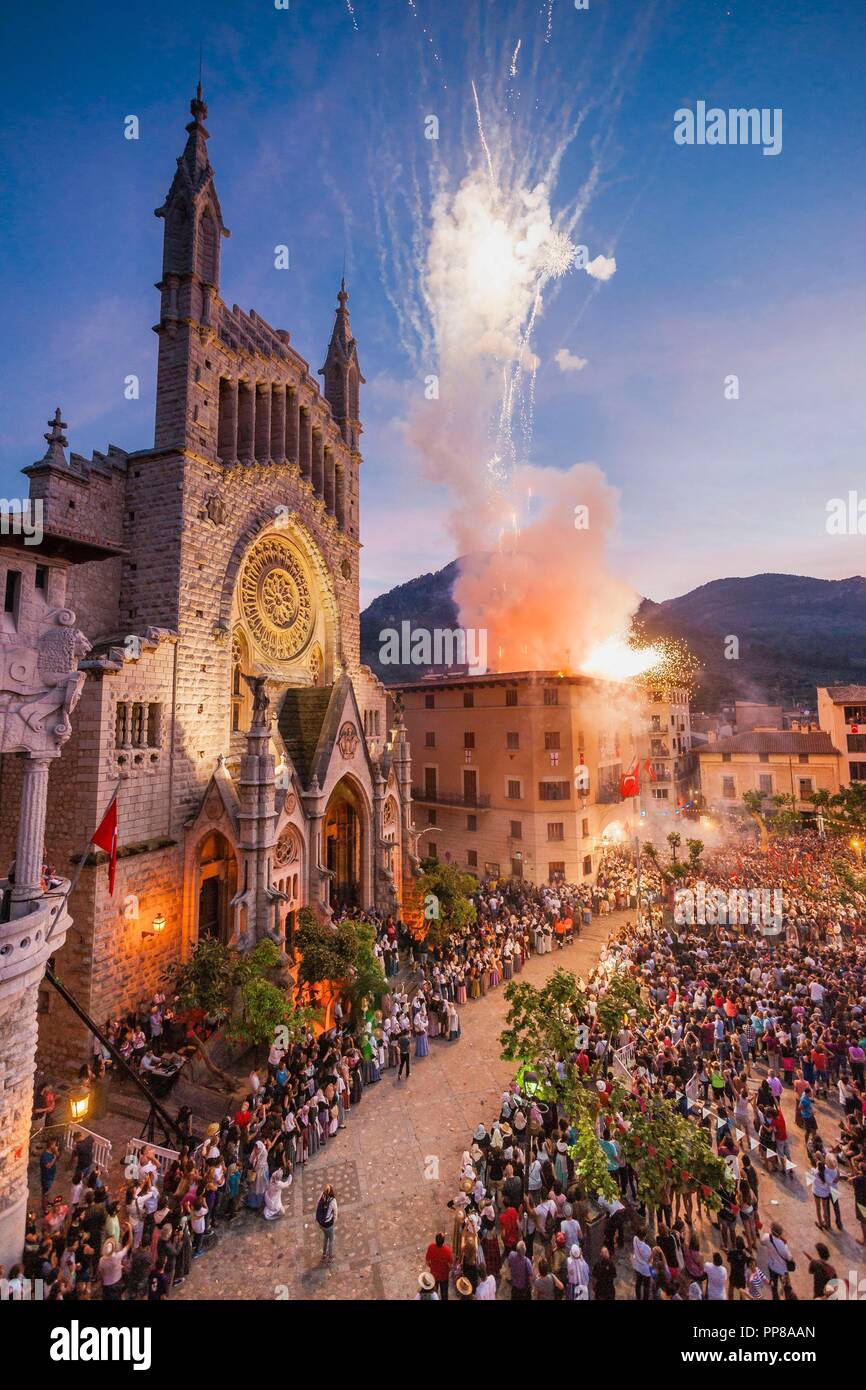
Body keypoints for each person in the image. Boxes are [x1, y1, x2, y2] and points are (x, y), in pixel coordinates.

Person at [425, 1232, 452, 1300]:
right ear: (443, 1241)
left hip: (434, 1275)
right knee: (444, 1294)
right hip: (444, 1276)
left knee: (434, 1294)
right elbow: (450, 1265)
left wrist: (432, 1266)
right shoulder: (447, 1250)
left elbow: (427, 1261)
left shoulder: (431, 1247)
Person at [316, 1184, 337, 1263]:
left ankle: (324, 1254)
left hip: (321, 1223)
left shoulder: (322, 1195)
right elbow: (335, 1213)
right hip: (328, 1224)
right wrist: (333, 1221)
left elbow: (317, 1203)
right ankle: (330, 1256)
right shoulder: (333, 1201)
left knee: (325, 1237)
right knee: (331, 1239)